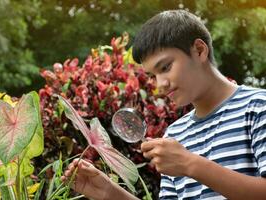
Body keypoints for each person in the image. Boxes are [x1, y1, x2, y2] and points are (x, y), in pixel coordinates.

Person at [61, 10, 266, 200]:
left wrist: (190, 164)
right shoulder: (175, 134)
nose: (160, 84)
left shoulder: (258, 107)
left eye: (166, 67)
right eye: (153, 76)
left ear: (199, 50)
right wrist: (110, 193)